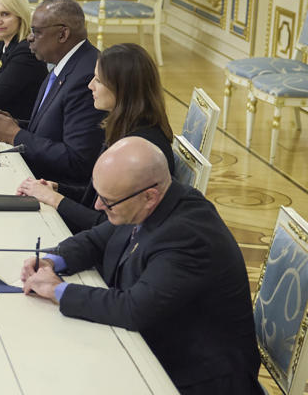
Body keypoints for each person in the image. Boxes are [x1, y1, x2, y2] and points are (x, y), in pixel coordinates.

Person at [21, 137, 261, 394]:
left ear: (149, 196)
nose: (98, 206)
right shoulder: (148, 202)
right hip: (158, 347)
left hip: (197, 377)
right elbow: (97, 239)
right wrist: (51, 260)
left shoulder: (188, 236)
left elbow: (132, 309)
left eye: (107, 200)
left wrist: (58, 291)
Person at [17, 43, 175, 233]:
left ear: (122, 89)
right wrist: (57, 188)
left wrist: (55, 199)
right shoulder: (124, 127)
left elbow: (109, 227)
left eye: (98, 81)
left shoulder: (138, 148)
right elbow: (97, 196)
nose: (90, 85)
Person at [0, 0, 105, 190]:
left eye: (36, 32)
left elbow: (77, 160)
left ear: (62, 34)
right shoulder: (64, 64)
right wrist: (16, 125)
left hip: (57, 189)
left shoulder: (87, 77)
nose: (30, 38)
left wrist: (16, 135)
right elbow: (56, 127)